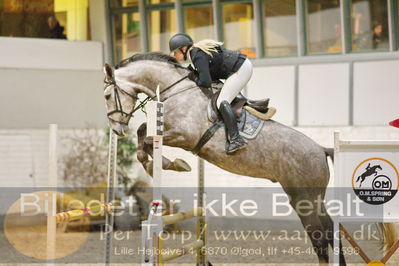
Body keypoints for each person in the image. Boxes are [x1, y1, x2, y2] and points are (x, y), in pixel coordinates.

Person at [169, 33, 252, 155]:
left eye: (176, 52)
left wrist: (194, 77)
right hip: (241, 67)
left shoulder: (197, 55)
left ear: (184, 48)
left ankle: (236, 139)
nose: (175, 56)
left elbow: (206, 82)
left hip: (241, 69)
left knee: (221, 102)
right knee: (224, 94)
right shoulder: (196, 54)